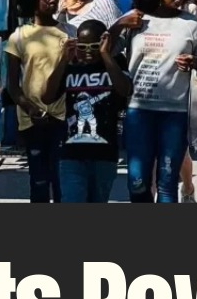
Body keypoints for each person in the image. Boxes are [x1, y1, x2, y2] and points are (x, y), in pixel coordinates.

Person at [115, 0, 197, 203]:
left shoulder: (192, 24)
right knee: (137, 184)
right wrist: (117, 25)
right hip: (139, 112)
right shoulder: (136, 19)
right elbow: (107, 50)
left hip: (176, 114)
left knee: (167, 185)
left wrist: (196, 63)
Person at [42, 19, 131, 203]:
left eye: (94, 46)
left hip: (105, 155)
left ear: (104, 42)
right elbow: (47, 97)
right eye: (83, 47)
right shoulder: (72, 68)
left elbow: (125, 90)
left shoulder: (116, 63)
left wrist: (105, 54)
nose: (88, 51)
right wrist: (63, 60)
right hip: (71, 154)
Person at [5, 0, 68, 203]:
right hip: (32, 120)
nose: (52, 0)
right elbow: (12, 85)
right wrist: (29, 108)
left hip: (62, 118)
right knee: (39, 183)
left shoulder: (68, 33)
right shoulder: (19, 37)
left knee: (61, 182)